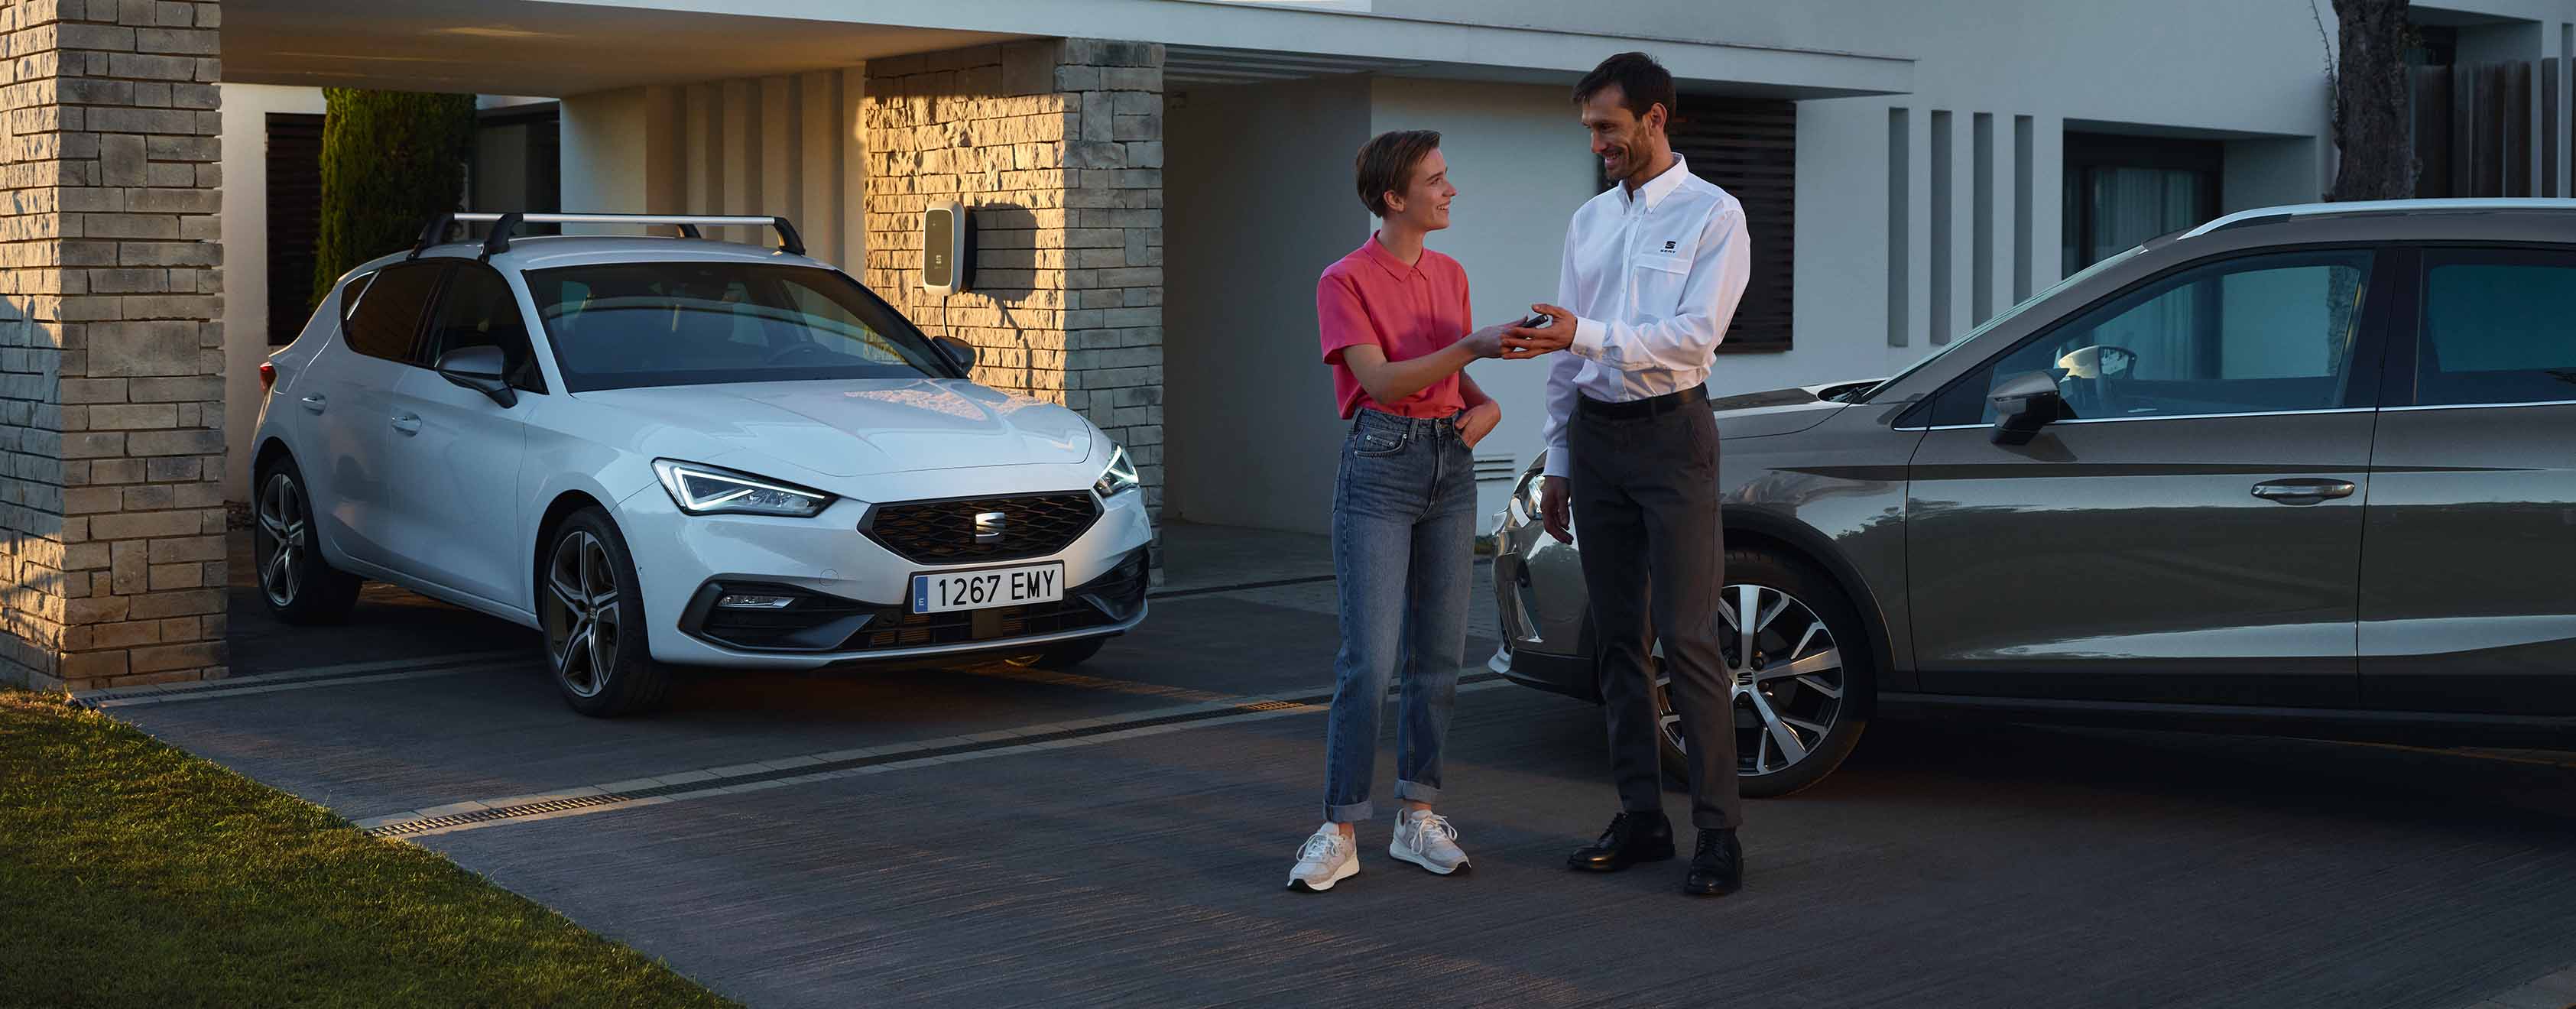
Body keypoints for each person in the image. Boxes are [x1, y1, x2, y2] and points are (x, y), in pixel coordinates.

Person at [1503, 52, 1755, 897]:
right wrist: (1560, 462)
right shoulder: (1587, 221)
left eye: (1608, 128)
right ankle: (1641, 819)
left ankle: (1717, 834)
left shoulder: (1716, 215)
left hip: (1673, 437)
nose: (1598, 144)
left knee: (1687, 639)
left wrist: (1583, 336)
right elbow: (1560, 351)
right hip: (1598, 443)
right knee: (1617, 642)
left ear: (1654, 118)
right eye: (1589, 132)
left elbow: (1693, 339)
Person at [1286, 129, 1523, 893]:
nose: (1449, 190)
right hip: (1380, 466)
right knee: (1371, 662)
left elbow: (1455, 384)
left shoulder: (1450, 275)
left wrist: (1484, 408)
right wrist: (1474, 349)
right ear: (1394, 198)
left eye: (1446, 177)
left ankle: (1416, 816)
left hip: (1449, 467)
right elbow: (1383, 383)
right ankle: (1340, 827)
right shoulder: (1343, 280)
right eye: (1435, 179)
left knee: (1440, 660)